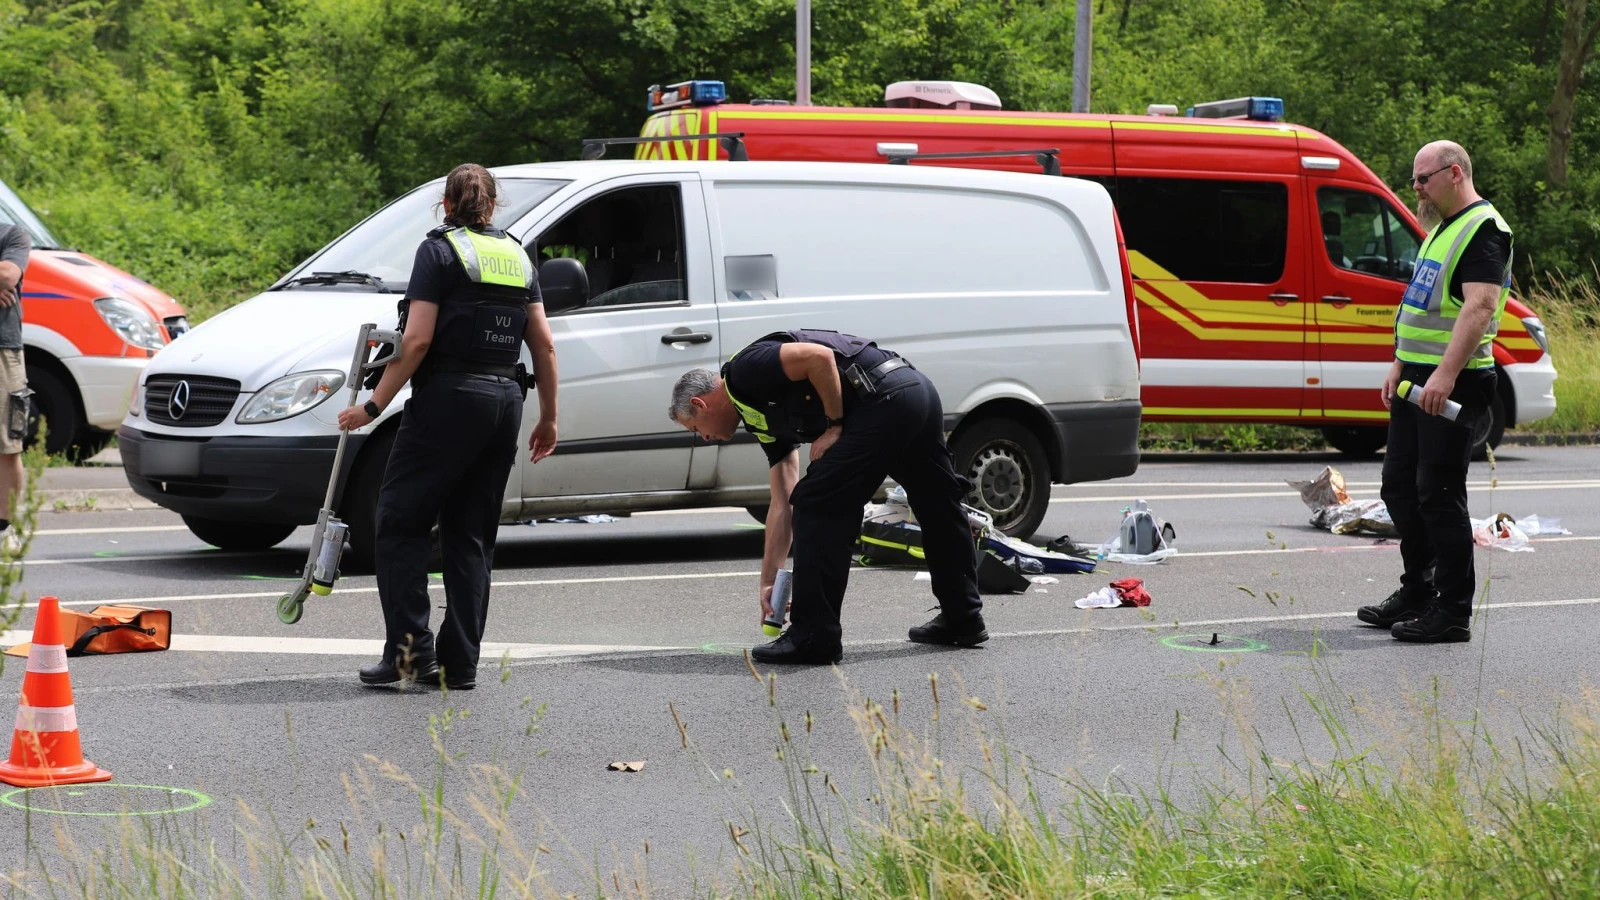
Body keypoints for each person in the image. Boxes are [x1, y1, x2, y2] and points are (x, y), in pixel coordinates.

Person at [337, 163, 559, 688]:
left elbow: (415, 341)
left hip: (449, 400)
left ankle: (411, 656)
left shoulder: (438, 251)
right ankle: (461, 665)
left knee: (398, 522)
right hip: (506, 402)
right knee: (471, 536)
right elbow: (543, 343)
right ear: (494, 204)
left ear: (446, 204)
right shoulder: (516, 254)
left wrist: (371, 407)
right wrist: (548, 417)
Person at [669, 329, 986, 665]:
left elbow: (817, 358)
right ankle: (962, 617)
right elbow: (782, 503)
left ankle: (814, 636)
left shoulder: (746, 369)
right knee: (937, 502)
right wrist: (768, 584)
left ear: (699, 404)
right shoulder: (757, 414)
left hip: (884, 399)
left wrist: (834, 425)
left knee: (818, 504)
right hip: (911, 392)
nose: (703, 438)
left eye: (694, 428)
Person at [1357, 141, 1511, 643]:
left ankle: (1453, 612)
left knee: (1440, 494)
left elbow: (1480, 306)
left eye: (1422, 179)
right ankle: (1418, 591)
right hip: (1416, 377)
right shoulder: (1440, 231)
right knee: (1399, 487)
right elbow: (1419, 304)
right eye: (1414, 180)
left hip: (1455, 380)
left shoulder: (1484, 229)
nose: (1416, 188)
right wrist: (1399, 363)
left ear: (1454, 172)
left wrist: (1444, 374)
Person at [0, 222, 30, 548]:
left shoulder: (12, 235)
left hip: (3, 351)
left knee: (7, 444)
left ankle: (4, 529)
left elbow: (8, 275)